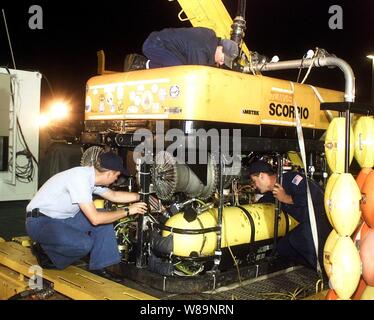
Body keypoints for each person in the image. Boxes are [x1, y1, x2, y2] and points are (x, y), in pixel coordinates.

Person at [25, 152, 147, 280]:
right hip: (40, 222)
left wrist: (143, 197)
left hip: (61, 220)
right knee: (84, 244)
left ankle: (100, 266)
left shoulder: (90, 177)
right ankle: (44, 251)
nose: (116, 179)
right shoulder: (80, 179)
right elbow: (95, 219)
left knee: (105, 218)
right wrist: (128, 210)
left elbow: (114, 196)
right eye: (117, 176)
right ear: (109, 173)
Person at [247, 160, 332, 272]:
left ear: (262, 176)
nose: (255, 186)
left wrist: (286, 198)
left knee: (298, 238)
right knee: (283, 248)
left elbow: (316, 196)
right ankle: (313, 266)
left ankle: (328, 270)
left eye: (254, 181)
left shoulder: (292, 178)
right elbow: (263, 202)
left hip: (323, 220)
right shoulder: (271, 194)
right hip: (306, 224)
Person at [142, 27, 239, 69]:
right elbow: (197, 74)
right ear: (221, 48)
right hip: (156, 44)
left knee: (180, 65)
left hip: (161, 44)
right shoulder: (202, 52)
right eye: (223, 59)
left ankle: (141, 64)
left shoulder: (209, 37)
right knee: (180, 72)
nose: (221, 63)